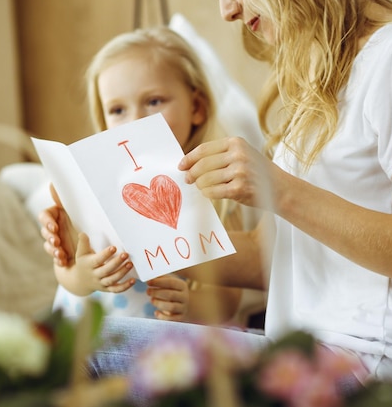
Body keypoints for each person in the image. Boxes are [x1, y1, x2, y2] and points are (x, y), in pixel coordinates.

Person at [48, 0, 392, 406]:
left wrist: (281, 190)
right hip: (303, 354)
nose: (228, 10)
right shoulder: (325, 83)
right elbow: (265, 258)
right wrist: (122, 244)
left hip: (382, 372)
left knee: (77, 352)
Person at [40, 26, 252, 326]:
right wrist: (83, 277)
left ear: (197, 108)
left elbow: (228, 301)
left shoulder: (218, 190)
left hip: (169, 353)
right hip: (86, 342)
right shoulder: (88, 188)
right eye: (117, 110)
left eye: (154, 102)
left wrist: (189, 304)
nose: (135, 121)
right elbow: (65, 270)